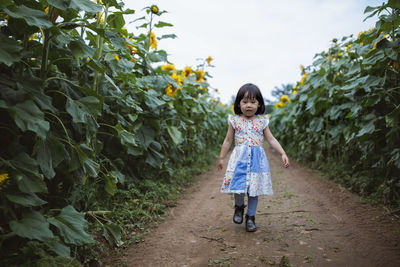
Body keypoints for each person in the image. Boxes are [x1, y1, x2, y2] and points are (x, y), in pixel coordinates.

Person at [218, 83, 289, 232]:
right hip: (239, 160)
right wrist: (222, 157)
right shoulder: (234, 120)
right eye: (244, 102)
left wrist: (282, 152)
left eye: (252, 102)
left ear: (259, 104)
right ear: (238, 104)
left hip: (257, 160)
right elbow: (228, 140)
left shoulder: (262, 121)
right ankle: (239, 207)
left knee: (254, 189)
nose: (248, 105)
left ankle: (250, 217)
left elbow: (271, 139)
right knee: (238, 186)